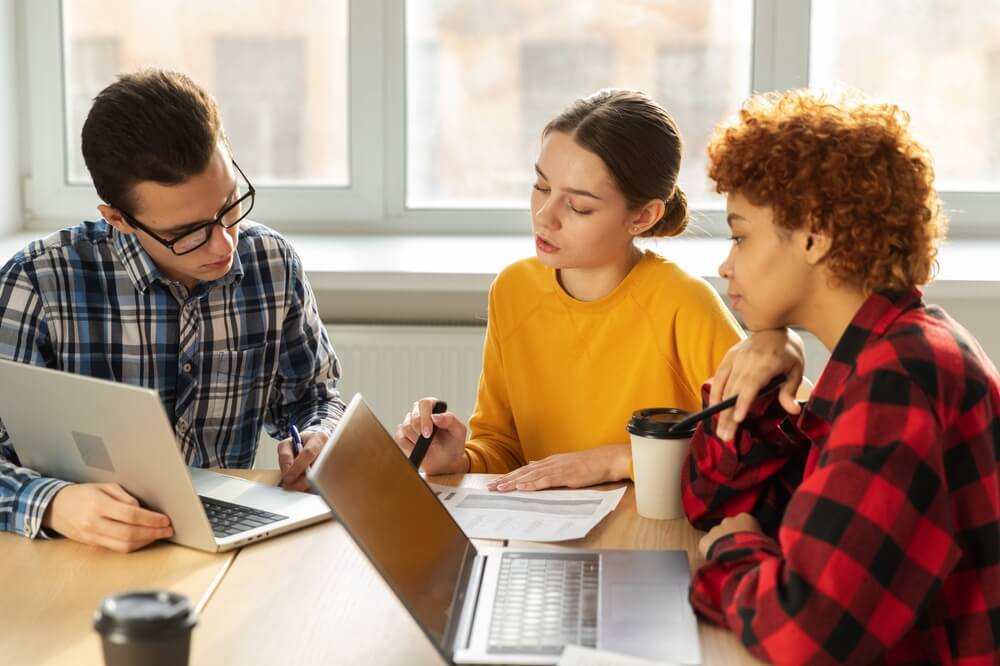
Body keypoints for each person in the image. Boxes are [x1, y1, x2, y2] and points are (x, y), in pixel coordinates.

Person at [683, 89, 1000, 664]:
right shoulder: (884, 352)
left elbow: (807, 630)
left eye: (740, 234)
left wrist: (733, 551)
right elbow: (714, 504)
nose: (726, 264)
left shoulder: (902, 379)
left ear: (814, 235)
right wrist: (764, 387)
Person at [0, 69, 345, 552]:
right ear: (118, 218)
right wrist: (54, 504)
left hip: (227, 543)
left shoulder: (271, 263)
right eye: (188, 232)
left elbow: (314, 396)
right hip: (80, 553)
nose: (224, 244)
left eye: (229, 206)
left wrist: (317, 434)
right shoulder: (38, 283)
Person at [394, 89, 751, 491]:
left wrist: (618, 460)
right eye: (541, 186)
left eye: (579, 206)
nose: (545, 216)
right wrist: (458, 459)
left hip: (649, 529)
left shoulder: (681, 302)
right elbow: (503, 447)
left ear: (643, 215)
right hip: (543, 533)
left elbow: (766, 443)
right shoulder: (514, 290)